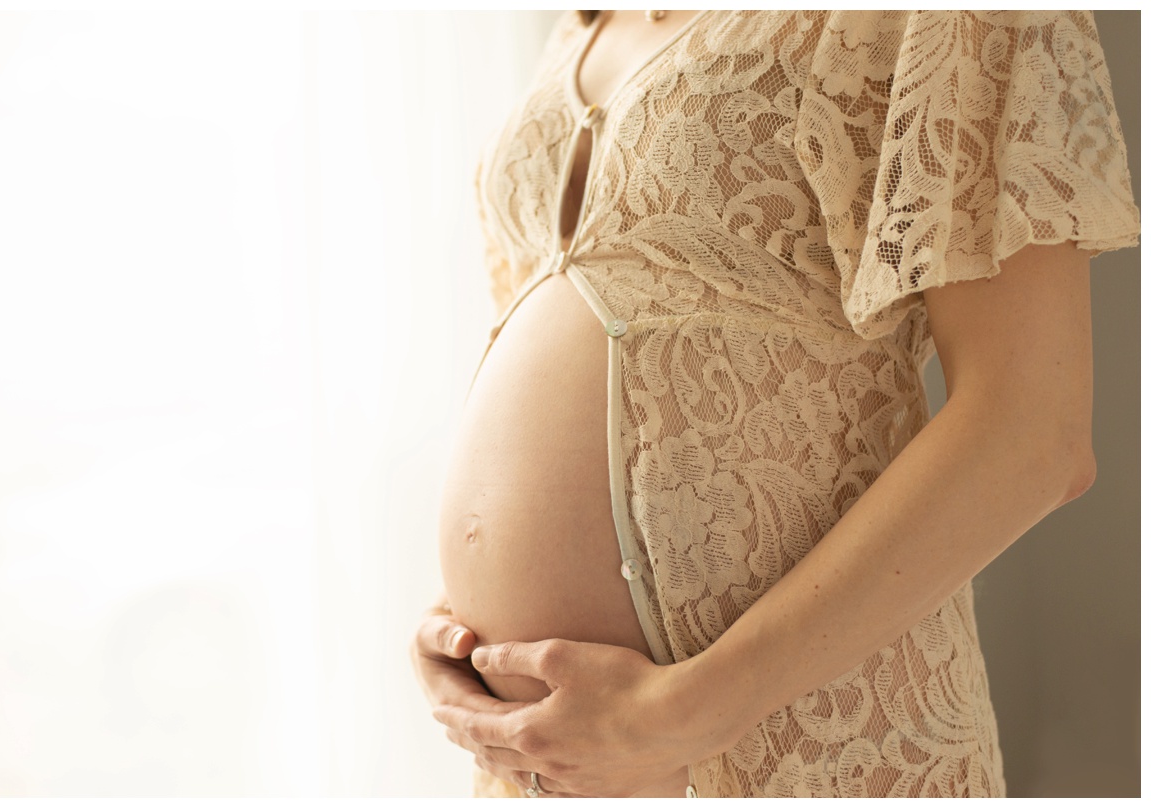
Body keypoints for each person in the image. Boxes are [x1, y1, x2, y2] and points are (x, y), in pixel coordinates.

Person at [411, 9, 1140, 798]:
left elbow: (1031, 431)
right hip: (546, 762)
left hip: (793, 740)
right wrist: (465, 622)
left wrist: (691, 711)